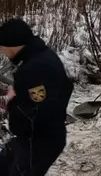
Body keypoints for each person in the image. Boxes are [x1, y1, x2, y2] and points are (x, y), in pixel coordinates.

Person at [0, 17, 73, 175]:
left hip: (39, 143)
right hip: (46, 136)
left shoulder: (34, 68)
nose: (1, 51)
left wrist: (12, 102)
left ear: (12, 44)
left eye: (2, 46)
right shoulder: (41, 56)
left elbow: (34, 115)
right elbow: (66, 88)